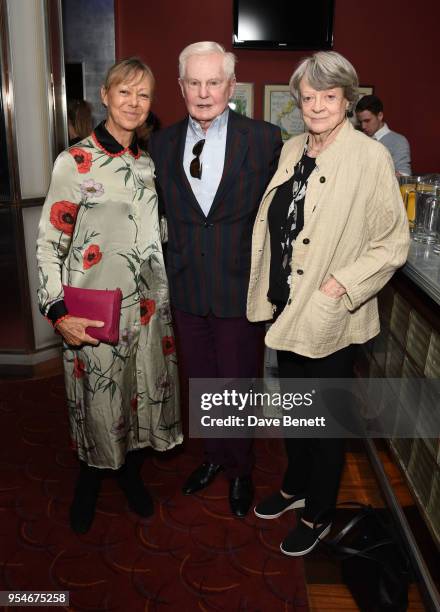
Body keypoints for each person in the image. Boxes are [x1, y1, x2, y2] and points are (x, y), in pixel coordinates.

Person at [247, 51, 409, 555]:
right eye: (309, 97)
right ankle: (297, 487)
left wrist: (340, 285)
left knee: (325, 421)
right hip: (285, 305)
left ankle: (318, 512)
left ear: (347, 100)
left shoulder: (369, 157)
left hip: (329, 313)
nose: (317, 106)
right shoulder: (293, 147)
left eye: (329, 97)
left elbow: (393, 243)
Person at [37, 58, 182, 534]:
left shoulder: (145, 162)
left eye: (144, 95)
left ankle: (129, 474)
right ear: (105, 94)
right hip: (93, 310)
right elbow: (48, 242)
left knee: (136, 393)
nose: (134, 103)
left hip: (146, 308)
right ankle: (90, 478)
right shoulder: (74, 161)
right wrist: (57, 310)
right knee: (97, 400)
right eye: (125, 92)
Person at [149, 41, 282, 517]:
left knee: (238, 382)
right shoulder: (159, 144)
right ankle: (211, 457)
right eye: (194, 83)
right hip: (186, 287)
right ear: (180, 86)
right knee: (201, 379)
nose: (204, 92)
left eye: (214, 82)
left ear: (231, 85)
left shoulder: (265, 139)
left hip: (240, 287)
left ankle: (241, 469)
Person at [355, 94, 412, 175]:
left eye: (367, 121)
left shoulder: (399, 142)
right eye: (360, 122)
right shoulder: (358, 138)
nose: (363, 126)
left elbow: (404, 177)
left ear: (380, 116)